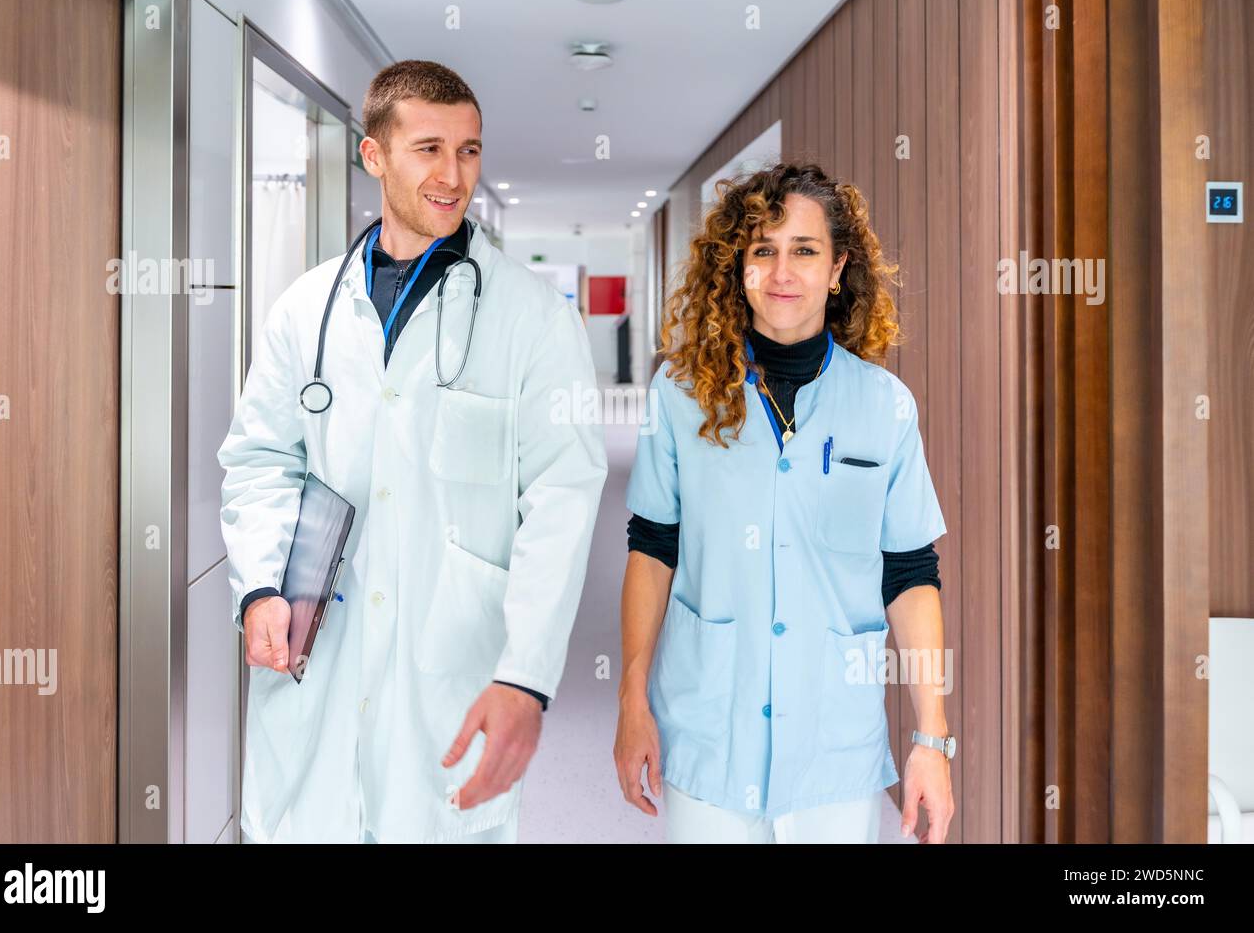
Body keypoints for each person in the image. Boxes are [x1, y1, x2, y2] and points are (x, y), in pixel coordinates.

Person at [220, 60, 607, 843]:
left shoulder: (531, 317)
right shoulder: (307, 309)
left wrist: (526, 675)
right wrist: (260, 586)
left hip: (456, 666)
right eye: (428, 148)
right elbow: (261, 458)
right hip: (320, 656)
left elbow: (561, 503)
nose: (452, 174)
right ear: (374, 157)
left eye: (469, 151)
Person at [614, 161, 955, 843]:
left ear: (837, 268)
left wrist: (931, 739)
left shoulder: (883, 406)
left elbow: (910, 573)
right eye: (762, 251)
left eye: (804, 250)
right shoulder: (681, 395)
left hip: (835, 741)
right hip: (710, 722)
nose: (781, 272)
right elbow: (653, 547)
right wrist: (632, 700)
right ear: (736, 267)